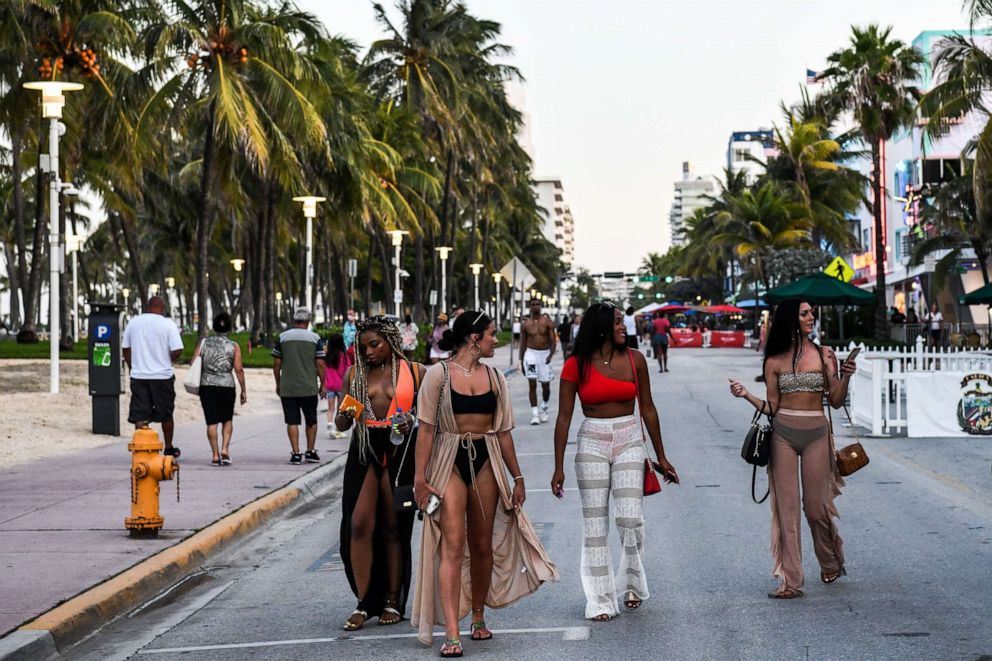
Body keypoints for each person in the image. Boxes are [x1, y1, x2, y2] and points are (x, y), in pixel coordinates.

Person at [412, 311, 558, 656]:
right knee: (452, 544)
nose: (497, 339)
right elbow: (427, 430)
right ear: (474, 338)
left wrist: (518, 477)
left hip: (487, 458)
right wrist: (420, 478)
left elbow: (504, 432)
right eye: (492, 335)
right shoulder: (439, 376)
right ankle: (451, 632)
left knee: (481, 546)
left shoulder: (495, 377)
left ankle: (477, 616)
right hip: (449, 460)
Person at [551, 302, 679, 621]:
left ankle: (632, 581)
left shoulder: (635, 360)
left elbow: (647, 408)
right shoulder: (575, 365)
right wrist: (558, 467)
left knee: (630, 519)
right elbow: (563, 418)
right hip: (592, 439)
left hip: (629, 438)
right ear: (602, 327)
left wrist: (661, 456)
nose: (625, 327)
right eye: (619, 322)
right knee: (595, 525)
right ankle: (601, 599)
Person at [728, 299, 857, 599]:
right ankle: (790, 580)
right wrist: (746, 395)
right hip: (783, 435)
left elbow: (836, 401)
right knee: (786, 510)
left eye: (812, 312)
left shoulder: (825, 355)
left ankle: (829, 560)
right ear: (790, 319)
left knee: (815, 507)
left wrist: (846, 375)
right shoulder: (774, 361)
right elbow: (772, 407)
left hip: (816, 434)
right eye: (805, 313)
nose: (811, 316)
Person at [335, 316, 425, 631]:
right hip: (364, 449)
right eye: (364, 347)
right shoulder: (355, 375)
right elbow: (341, 424)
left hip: (400, 451)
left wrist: (412, 421)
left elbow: (431, 418)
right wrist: (349, 411)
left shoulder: (416, 373)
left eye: (375, 344)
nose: (369, 352)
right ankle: (364, 601)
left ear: (390, 341)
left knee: (393, 528)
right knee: (357, 525)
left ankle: (393, 600)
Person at [123, 296, 184, 457]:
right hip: (163, 376)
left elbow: (126, 348)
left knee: (140, 413)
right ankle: (169, 446)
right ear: (162, 308)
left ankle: (142, 446)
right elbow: (177, 349)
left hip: (139, 375)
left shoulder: (134, 323)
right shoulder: (168, 324)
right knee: (166, 413)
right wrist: (169, 358)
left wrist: (132, 367)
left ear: (147, 306)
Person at [190, 312, 246, 465]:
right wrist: (243, 389)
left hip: (207, 386)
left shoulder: (204, 343)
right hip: (227, 386)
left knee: (211, 422)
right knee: (227, 419)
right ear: (229, 328)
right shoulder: (233, 346)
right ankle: (225, 450)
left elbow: (193, 362)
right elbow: (238, 369)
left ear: (214, 327)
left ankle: (215, 455)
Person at [272, 307, 325, 465]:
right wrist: (323, 384)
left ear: (294, 320)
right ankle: (310, 451)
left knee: (292, 421)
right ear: (308, 322)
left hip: (288, 388)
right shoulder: (315, 338)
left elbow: (276, 364)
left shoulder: (283, 337)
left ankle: (295, 453)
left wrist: (278, 383)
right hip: (309, 387)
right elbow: (320, 364)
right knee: (311, 420)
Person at [519, 297, 557, 425]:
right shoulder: (526, 324)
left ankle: (544, 408)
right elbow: (523, 344)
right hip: (530, 354)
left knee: (545, 385)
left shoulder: (547, 322)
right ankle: (535, 414)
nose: (535, 306)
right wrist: (521, 360)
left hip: (544, 354)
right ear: (530, 306)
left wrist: (550, 355)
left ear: (540, 306)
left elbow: (553, 341)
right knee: (532, 383)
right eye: (533, 304)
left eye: (537, 304)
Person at [322, 333, 351, 439]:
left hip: (329, 385)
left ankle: (330, 423)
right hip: (341, 386)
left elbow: (324, 370)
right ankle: (339, 430)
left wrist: (324, 384)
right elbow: (348, 369)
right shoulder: (344, 355)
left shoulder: (327, 355)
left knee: (330, 408)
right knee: (341, 410)